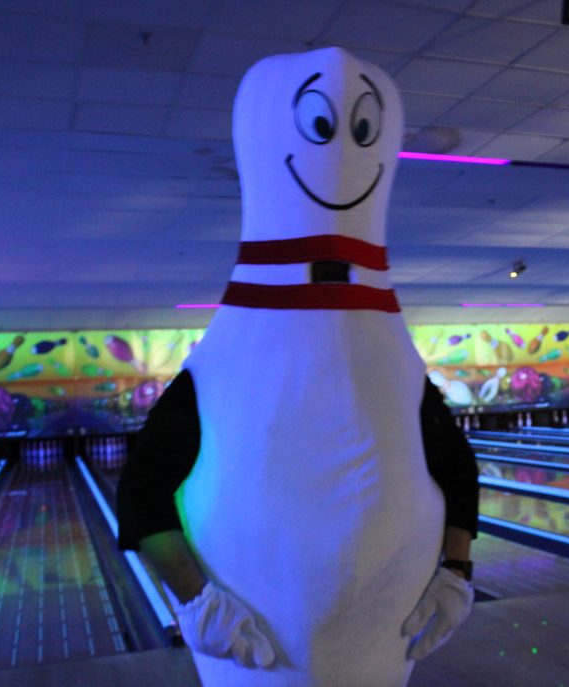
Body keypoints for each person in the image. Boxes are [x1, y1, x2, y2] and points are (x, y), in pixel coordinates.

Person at [116, 46, 479, 687]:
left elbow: (456, 468)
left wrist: (455, 570)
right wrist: (197, 600)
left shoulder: (395, 371)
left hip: (386, 635)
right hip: (255, 643)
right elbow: (141, 498)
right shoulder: (224, 369)